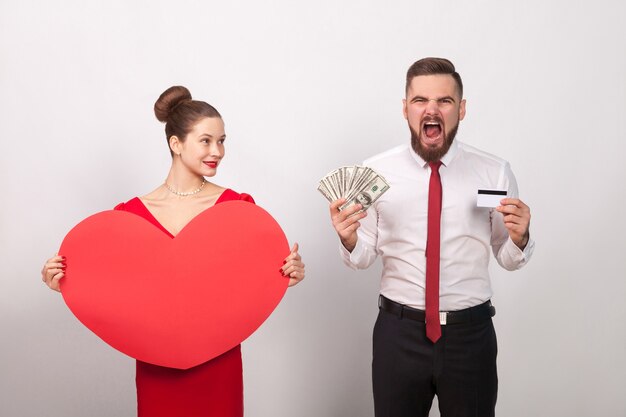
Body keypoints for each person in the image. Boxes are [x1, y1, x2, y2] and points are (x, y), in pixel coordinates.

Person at [41, 85, 305, 417]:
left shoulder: (237, 209)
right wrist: (66, 281)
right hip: (156, 362)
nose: (217, 151)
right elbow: (114, 291)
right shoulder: (130, 216)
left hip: (218, 360)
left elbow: (246, 282)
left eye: (222, 141)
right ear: (175, 144)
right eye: (206, 140)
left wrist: (283, 274)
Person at [328, 58, 534, 417]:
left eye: (445, 101)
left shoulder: (494, 171)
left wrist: (520, 236)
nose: (432, 109)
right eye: (421, 100)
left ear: (462, 109)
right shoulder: (376, 171)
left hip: (470, 337)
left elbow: (507, 255)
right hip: (398, 335)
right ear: (406, 108)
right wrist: (348, 239)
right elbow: (362, 257)